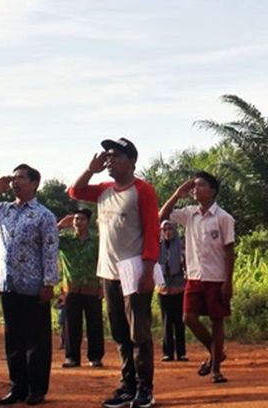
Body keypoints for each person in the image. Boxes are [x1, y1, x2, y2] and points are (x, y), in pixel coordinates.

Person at [69, 138, 160, 408]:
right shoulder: (103, 190)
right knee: (120, 333)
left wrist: (148, 270)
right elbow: (74, 191)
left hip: (134, 271)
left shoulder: (142, 190)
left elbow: (152, 232)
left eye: (116, 156)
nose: (109, 160)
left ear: (132, 162)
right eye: (107, 156)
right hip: (108, 273)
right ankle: (127, 386)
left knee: (139, 334)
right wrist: (90, 169)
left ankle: (145, 389)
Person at [0, 164, 61, 406]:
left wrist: (49, 283)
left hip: (34, 286)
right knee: (14, 340)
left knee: (37, 341)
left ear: (34, 183)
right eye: (13, 178)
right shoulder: (3, 211)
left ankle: (36, 389)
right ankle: (17, 387)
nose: (14, 182)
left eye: (20, 178)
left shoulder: (44, 215)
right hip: (8, 284)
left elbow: (50, 251)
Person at [159, 171, 236, 383]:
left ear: (212, 190)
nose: (195, 189)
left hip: (216, 276)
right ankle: (216, 352)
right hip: (194, 275)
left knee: (216, 320)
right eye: (194, 186)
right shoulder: (189, 213)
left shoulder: (224, 218)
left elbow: (230, 251)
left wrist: (228, 281)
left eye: (200, 185)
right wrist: (176, 194)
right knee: (188, 318)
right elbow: (162, 216)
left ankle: (216, 369)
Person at [58, 207, 105, 369]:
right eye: (76, 219)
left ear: (88, 221)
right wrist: (59, 226)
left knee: (95, 323)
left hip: (92, 288)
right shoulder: (65, 240)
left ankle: (96, 357)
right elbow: (46, 238)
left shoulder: (97, 241)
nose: (78, 222)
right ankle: (72, 357)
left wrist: (103, 286)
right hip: (71, 288)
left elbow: (103, 263)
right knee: (71, 324)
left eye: (82, 219)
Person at [156, 220, 187, 363]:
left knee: (180, 321)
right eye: (165, 229)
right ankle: (168, 352)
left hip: (179, 286)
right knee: (166, 321)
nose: (168, 232)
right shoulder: (158, 246)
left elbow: (186, 264)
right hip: (163, 287)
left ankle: (181, 353)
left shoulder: (181, 245)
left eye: (170, 229)